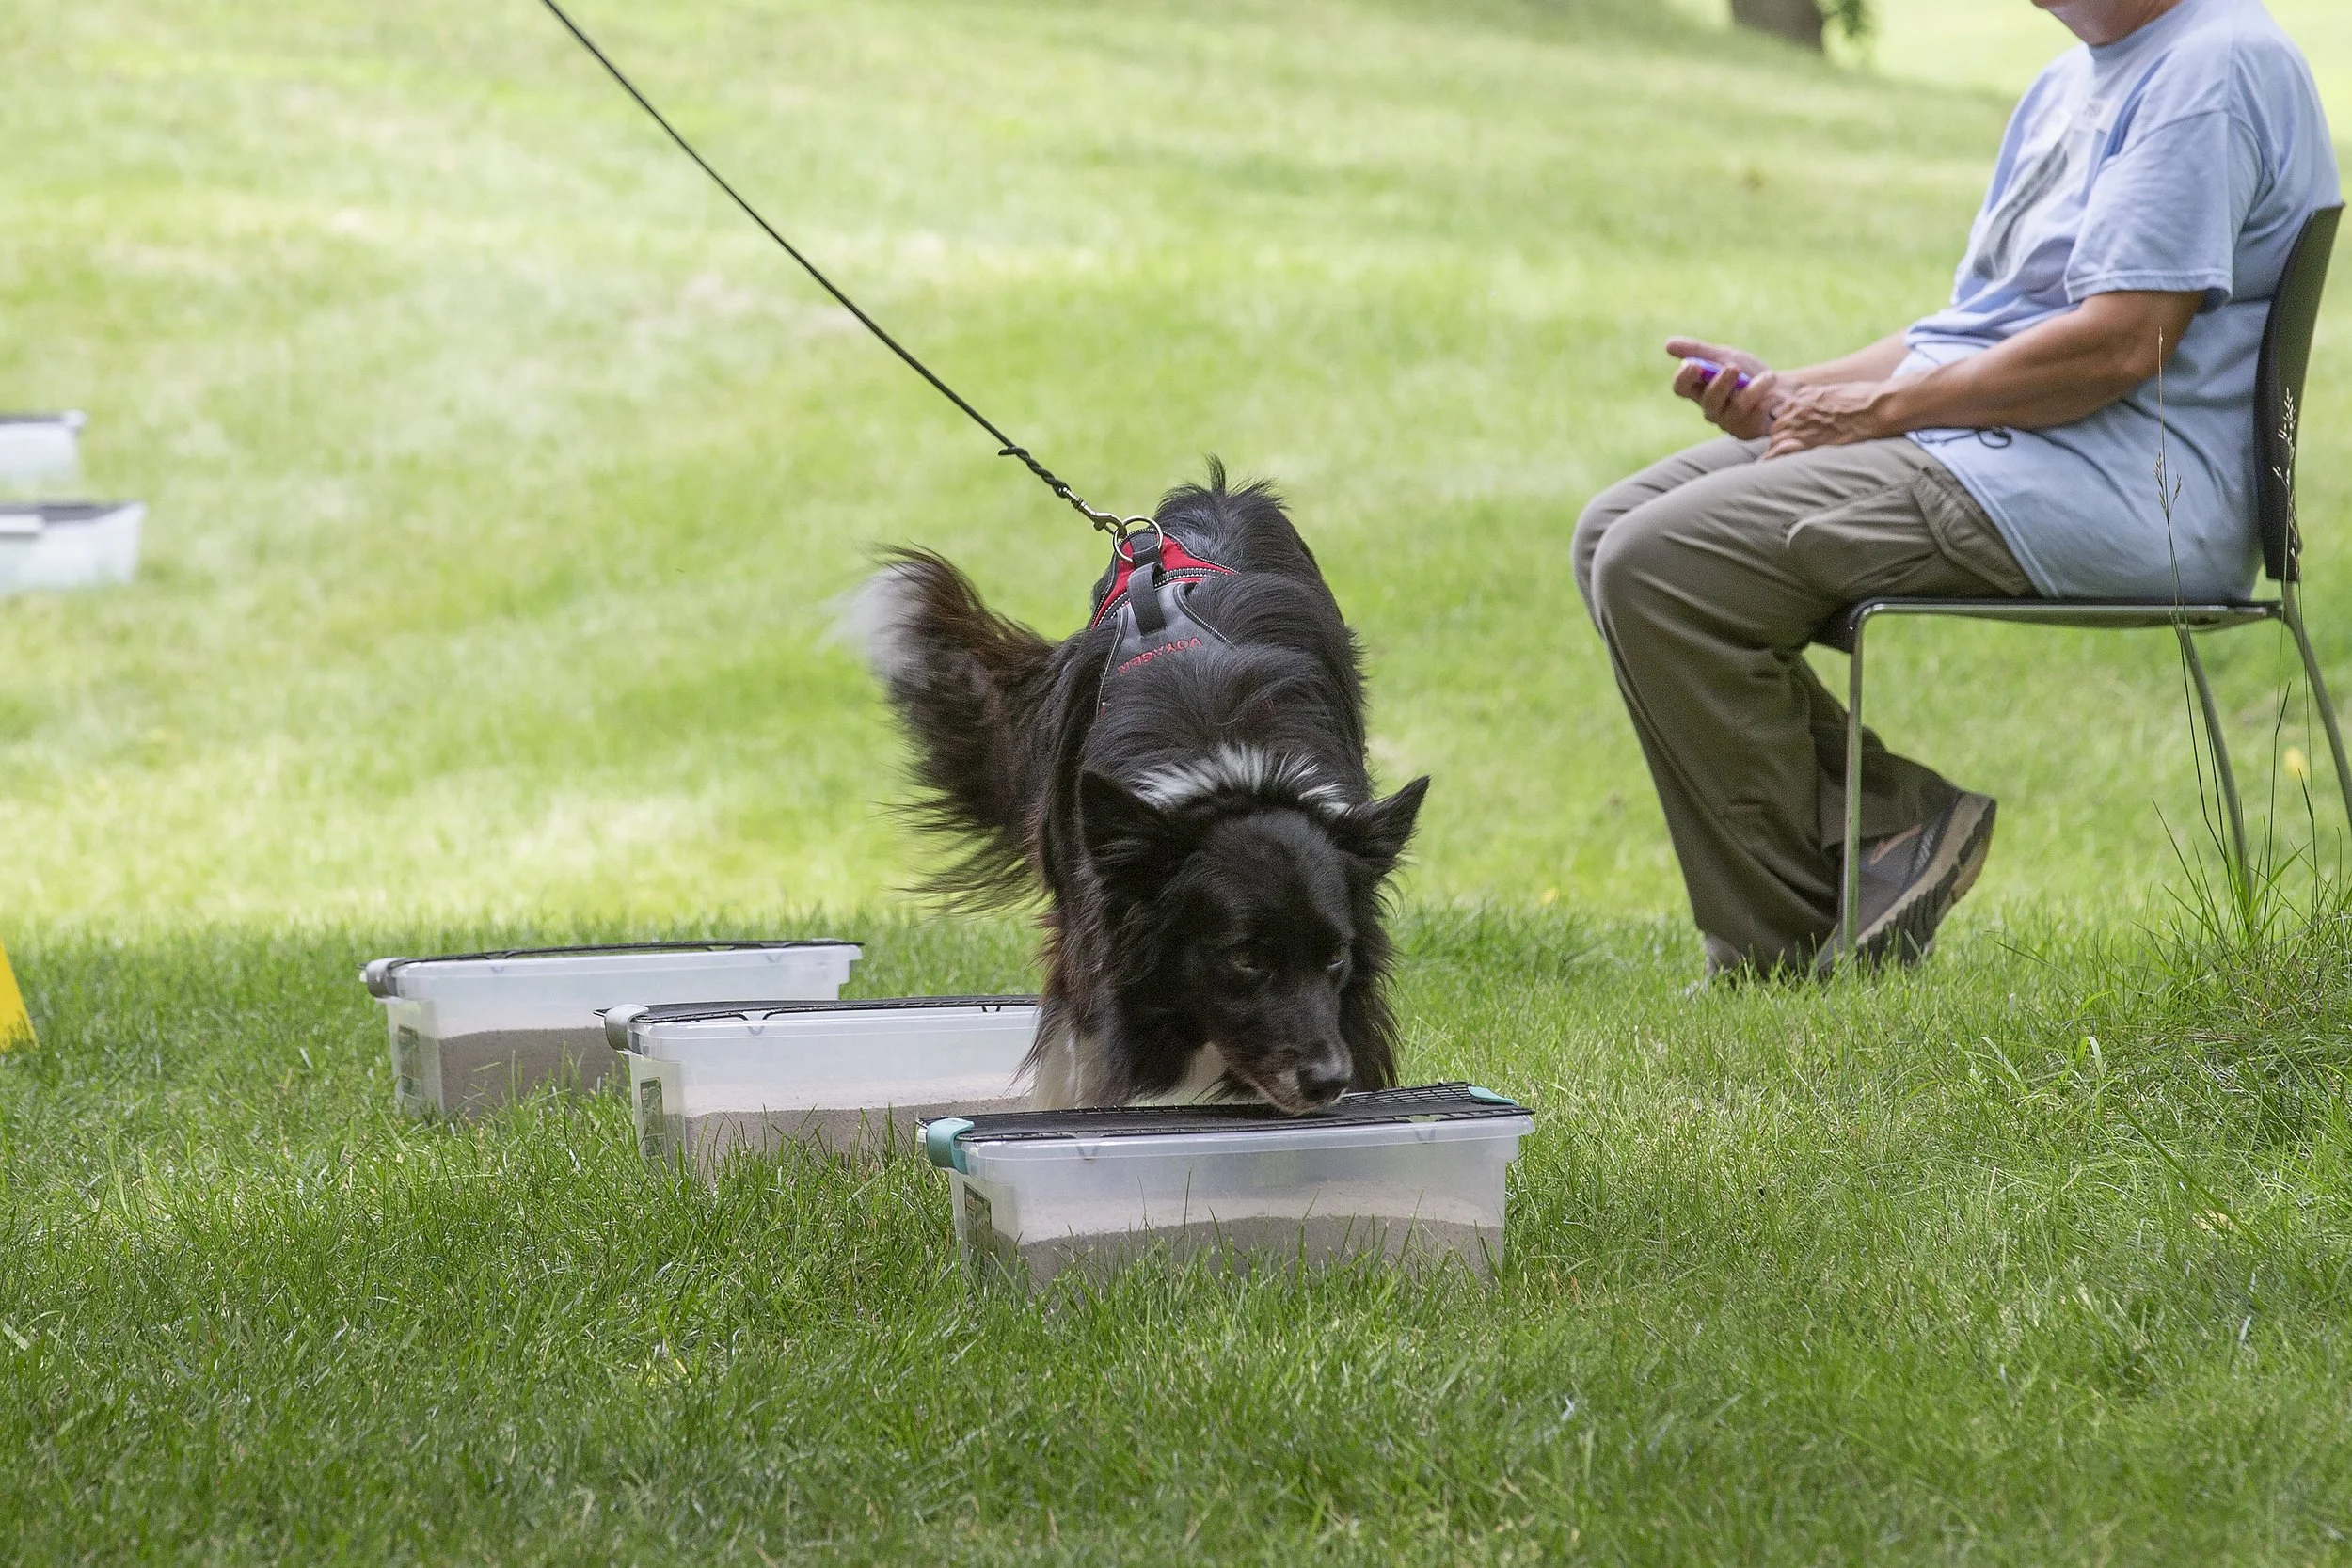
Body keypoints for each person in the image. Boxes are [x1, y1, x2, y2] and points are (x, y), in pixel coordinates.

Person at [1573, 0, 2340, 980]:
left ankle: (1784, 954)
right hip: (1999, 451)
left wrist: (1877, 413)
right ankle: (1892, 828)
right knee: (1609, 535)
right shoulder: (2069, 82)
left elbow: (2121, 341)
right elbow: (1966, 330)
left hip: (2116, 486)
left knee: (1658, 567)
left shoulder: (2211, 67)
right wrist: (1798, 395)